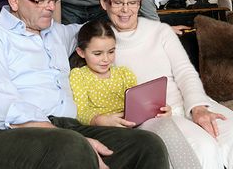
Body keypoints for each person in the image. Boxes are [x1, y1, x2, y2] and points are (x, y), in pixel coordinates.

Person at [0, 0, 169, 169]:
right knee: (72, 147)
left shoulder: (57, 33)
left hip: (66, 129)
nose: (50, 7)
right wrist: (64, 136)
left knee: (148, 145)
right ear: (14, 0)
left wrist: (127, 11)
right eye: (41, 0)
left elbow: (97, 31)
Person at [96, 0, 233, 169]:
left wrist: (197, 107)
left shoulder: (160, 31)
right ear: (104, 3)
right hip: (152, 118)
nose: (126, 10)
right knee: (203, 148)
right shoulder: (99, 42)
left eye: (132, 2)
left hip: (187, 103)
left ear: (140, 2)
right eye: (118, 2)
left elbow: (185, 72)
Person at [70, 19, 201, 169]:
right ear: (81, 52)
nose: (106, 59)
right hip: (105, 129)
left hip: (134, 124)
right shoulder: (78, 75)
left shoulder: (124, 73)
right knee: (150, 143)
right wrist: (99, 119)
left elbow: (139, 102)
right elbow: (80, 111)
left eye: (111, 52)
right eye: (98, 53)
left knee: (165, 126)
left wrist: (159, 108)